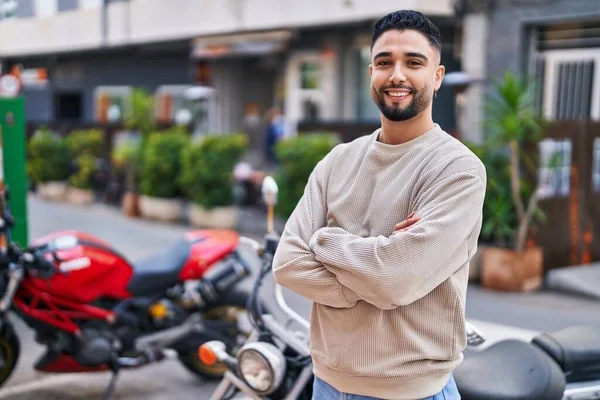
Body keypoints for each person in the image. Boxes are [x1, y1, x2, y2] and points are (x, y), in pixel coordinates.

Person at [272, 10, 486, 400]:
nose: (397, 75)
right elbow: (287, 264)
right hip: (327, 384)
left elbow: (394, 280)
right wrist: (373, 270)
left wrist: (324, 240)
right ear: (372, 72)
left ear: (437, 77)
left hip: (413, 392)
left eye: (414, 62)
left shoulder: (458, 170)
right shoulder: (338, 161)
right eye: (385, 62)